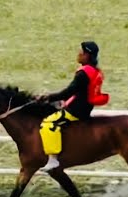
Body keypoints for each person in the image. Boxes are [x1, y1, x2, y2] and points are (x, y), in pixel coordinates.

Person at [35, 41, 110, 172]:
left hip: (77, 110)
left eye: (81, 52)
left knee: (48, 123)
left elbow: (69, 91)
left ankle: (53, 159)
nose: (78, 55)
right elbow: (78, 92)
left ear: (87, 55)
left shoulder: (83, 73)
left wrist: (48, 97)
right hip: (84, 106)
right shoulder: (93, 71)